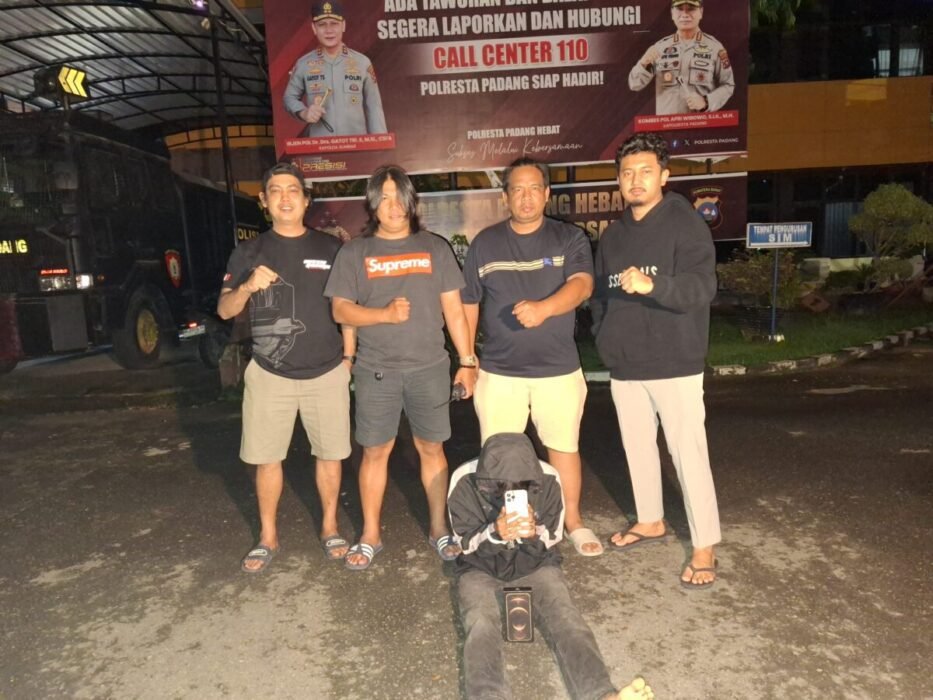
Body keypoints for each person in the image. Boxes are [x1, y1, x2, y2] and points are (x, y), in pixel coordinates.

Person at [324, 165, 477, 570]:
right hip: (376, 370)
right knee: (375, 452)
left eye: (399, 196)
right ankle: (370, 534)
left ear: (411, 201)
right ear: (373, 205)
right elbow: (341, 310)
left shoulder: (435, 248)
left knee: (432, 448)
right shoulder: (354, 253)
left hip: (430, 367)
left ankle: (439, 528)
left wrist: (467, 361)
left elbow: (455, 311)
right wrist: (384, 315)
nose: (393, 206)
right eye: (384, 198)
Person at [593, 132, 721, 588]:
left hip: (675, 362)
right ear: (618, 180)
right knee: (637, 448)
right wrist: (604, 338)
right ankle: (650, 519)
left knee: (688, 454)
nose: (636, 180)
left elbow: (702, 286)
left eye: (646, 171)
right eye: (627, 173)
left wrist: (655, 285)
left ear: (664, 176)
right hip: (626, 364)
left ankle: (704, 546)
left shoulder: (685, 223)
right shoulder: (613, 236)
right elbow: (601, 297)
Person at [217, 162, 355, 573]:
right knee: (266, 459)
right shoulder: (248, 252)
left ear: (306, 199)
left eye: (293, 189)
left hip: (327, 370)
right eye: (275, 190)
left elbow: (346, 309)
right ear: (264, 201)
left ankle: (330, 528)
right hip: (269, 373)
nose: (285, 197)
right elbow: (225, 310)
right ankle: (267, 537)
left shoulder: (332, 249)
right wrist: (246, 286)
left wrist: (348, 358)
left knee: (330, 455)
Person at [461, 157, 603, 557]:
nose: (526, 197)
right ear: (505, 197)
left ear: (547, 194)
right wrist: (467, 360)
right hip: (499, 372)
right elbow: (468, 303)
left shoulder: (568, 238)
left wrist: (545, 308)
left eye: (534, 189)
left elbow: (582, 284)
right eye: (517, 190)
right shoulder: (485, 243)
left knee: (563, 448)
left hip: (557, 370)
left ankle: (572, 521)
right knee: (500, 456)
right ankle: (509, 526)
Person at [448, 433, 655, 700]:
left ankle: (601, 694)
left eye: (523, 485)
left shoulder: (547, 477)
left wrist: (533, 532)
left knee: (565, 616)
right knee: (479, 622)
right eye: (498, 486)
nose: (510, 491)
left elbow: (554, 536)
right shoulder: (464, 479)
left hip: (535, 563)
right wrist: (494, 533)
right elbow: (463, 544)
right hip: (481, 566)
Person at [283, 0, 387, 137]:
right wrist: (304, 113)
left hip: (356, 145)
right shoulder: (304, 64)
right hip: (320, 145)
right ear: (314, 28)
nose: (329, 30)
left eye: (334, 23)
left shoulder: (362, 63)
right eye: (322, 25)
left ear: (343, 25)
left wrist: (380, 142)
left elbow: (374, 107)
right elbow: (289, 97)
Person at [628, 0, 734, 115]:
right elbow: (634, 84)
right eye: (679, 9)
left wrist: (706, 101)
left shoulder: (715, 47)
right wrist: (643, 63)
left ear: (701, 12)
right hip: (666, 123)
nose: (685, 14)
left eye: (691, 9)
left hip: (700, 123)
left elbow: (728, 85)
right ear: (672, 13)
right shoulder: (660, 47)